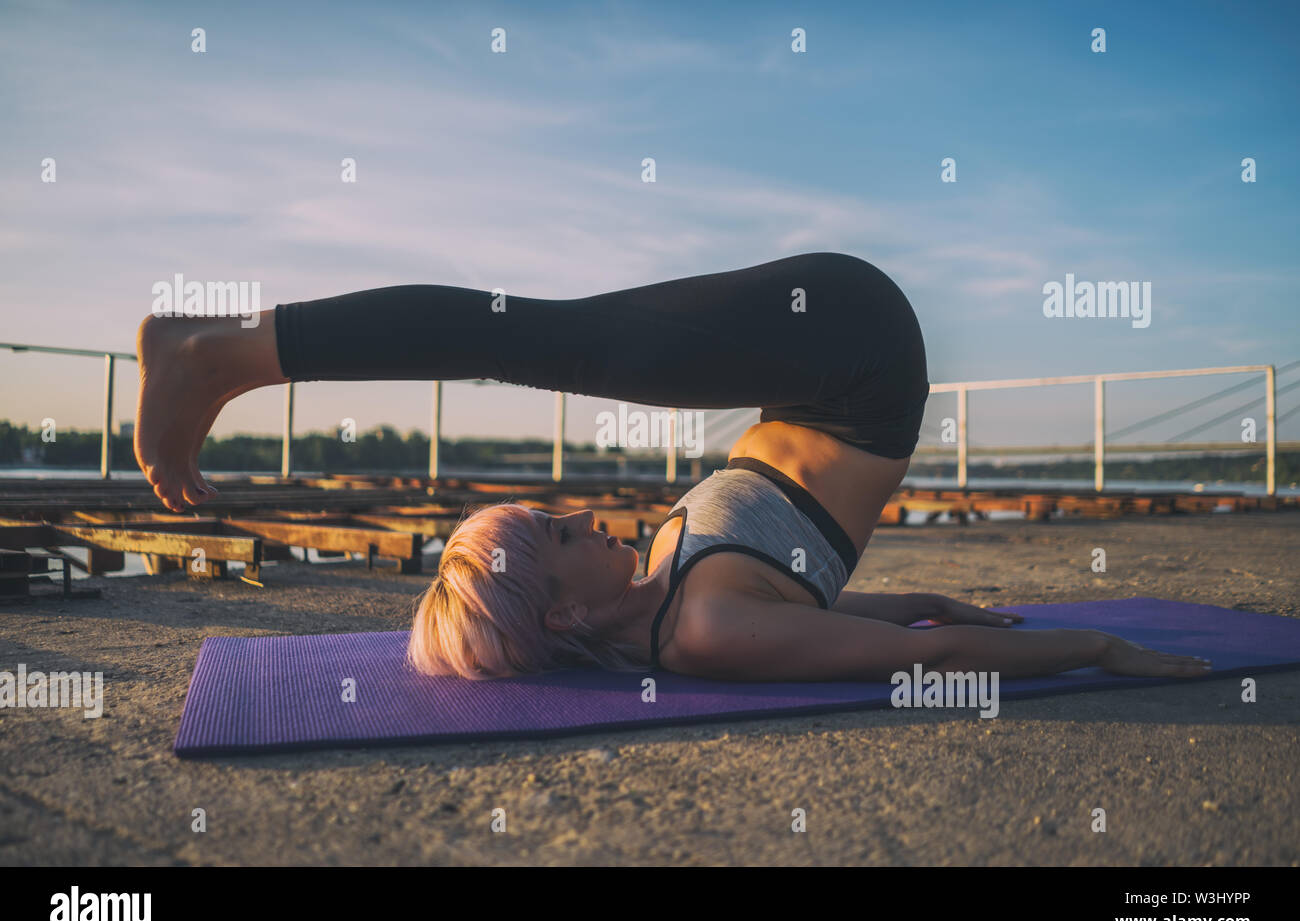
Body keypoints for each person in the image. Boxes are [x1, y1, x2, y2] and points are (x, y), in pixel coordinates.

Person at [133, 252, 1212, 682]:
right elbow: (911, 661)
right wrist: (1096, 645)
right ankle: (223, 349)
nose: (581, 519)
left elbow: (825, 608)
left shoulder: (661, 591)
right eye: (560, 538)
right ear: (557, 616)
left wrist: (919, 593)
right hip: (858, 353)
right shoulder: (701, 628)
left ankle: (229, 350)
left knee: (547, 340)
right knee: (545, 340)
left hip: (816, 373)